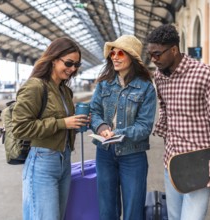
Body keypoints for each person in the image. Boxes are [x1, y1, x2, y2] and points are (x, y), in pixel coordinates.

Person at [146, 24, 210, 220]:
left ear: (174, 50)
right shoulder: (159, 77)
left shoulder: (206, 75)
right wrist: (162, 127)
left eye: (157, 54)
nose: (153, 59)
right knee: (173, 217)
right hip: (171, 161)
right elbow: (164, 106)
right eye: (151, 54)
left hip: (199, 163)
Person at [12, 37, 90, 220]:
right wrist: (64, 123)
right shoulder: (35, 86)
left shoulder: (64, 90)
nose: (72, 69)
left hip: (64, 161)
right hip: (42, 162)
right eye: (69, 63)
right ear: (54, 59)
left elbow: (64, 126)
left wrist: (78, 123)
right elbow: (19, 127)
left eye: (76, 65)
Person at [90, 35, 157, 220]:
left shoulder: (145, 88)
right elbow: (93, 111)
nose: (115, 57)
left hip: (133, 155)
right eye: (112, 53)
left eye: (120, 53)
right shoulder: (104, 84)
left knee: (133, 211)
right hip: (104, 153)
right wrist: (101, 126)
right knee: (106, 210)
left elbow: (144, 126)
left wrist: (117, 133)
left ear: (132, 58)